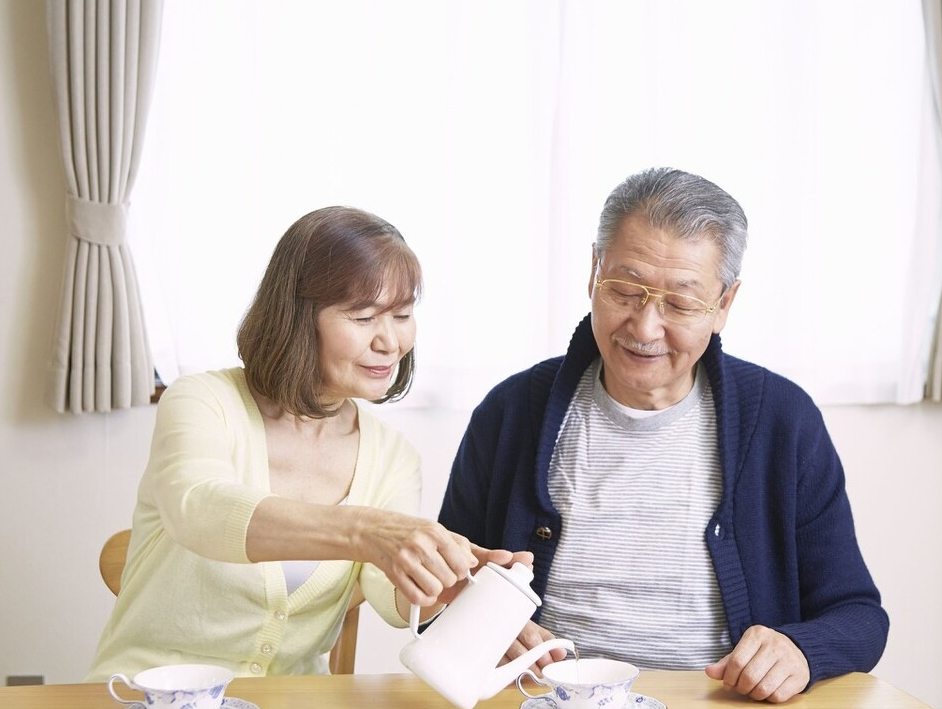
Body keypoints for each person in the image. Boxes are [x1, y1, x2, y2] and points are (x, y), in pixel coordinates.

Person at [438, 168, 889, 703]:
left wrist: (800, 650)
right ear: (593, 272)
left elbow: (859, 616)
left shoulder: (783, 421)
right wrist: (479, 627)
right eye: (626, 291)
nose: (645, 327)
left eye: (679, 304)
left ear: (724, 304)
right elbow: (440, 593)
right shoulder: (511, 411)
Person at [87, 206, 525, 680]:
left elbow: (389, 595)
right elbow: (198, 510)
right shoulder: (204, 401)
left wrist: (445, 583)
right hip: (144, 693)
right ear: (296, 317)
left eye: (402, 315)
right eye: (363, 317)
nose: (390, 341)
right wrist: (366, 532)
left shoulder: (392, 456)